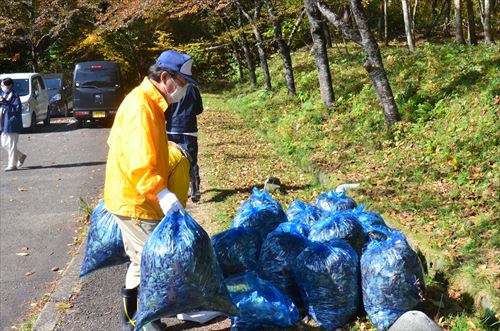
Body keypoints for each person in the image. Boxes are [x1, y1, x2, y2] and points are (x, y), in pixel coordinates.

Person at [103, 50, 196, 331]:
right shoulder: (141, 107)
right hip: (136, 199)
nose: (184, 89)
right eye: (182, 82)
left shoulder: (151, 104)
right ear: (165, 77)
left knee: (143, 259)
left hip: (139, 195)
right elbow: (139, 161)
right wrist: (162, 193)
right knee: (147, 260)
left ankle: (142, 318)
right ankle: (136, 320)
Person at [166, 84, 203, 202]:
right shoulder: (193, 89)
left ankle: (174, 189)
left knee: (173, 160)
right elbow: (199, 109)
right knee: (191, 160)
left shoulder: (170, 87)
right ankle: (195, 190)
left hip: (171, 129)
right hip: (189, 129)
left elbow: (164, 108)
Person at [0, 78, 26, 172]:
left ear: (9, 85)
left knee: (11, 145)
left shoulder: (14, 95)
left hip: (12, 123)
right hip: (3, 123)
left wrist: (4, 102)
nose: (2, 87)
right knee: (4, 144)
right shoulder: (4, 94)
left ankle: (12, 165)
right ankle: (21, 156)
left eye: (3, 85)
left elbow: (16, 110)